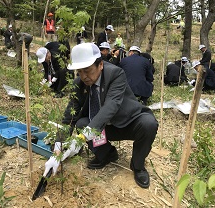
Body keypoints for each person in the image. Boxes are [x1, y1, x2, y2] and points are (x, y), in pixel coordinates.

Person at [44, 43, 158, 189]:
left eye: (87, 71)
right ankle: (108, 154)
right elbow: (69, 116)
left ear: (101, 65)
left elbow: (111, 106)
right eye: (80, 72)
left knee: (148, 124)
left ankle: (138, 166)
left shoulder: (115, 74)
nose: (84, 76)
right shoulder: (79, 83)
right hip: (102, 128)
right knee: (81, 124)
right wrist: (58, 147)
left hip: (127, 122)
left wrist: (81, 139)